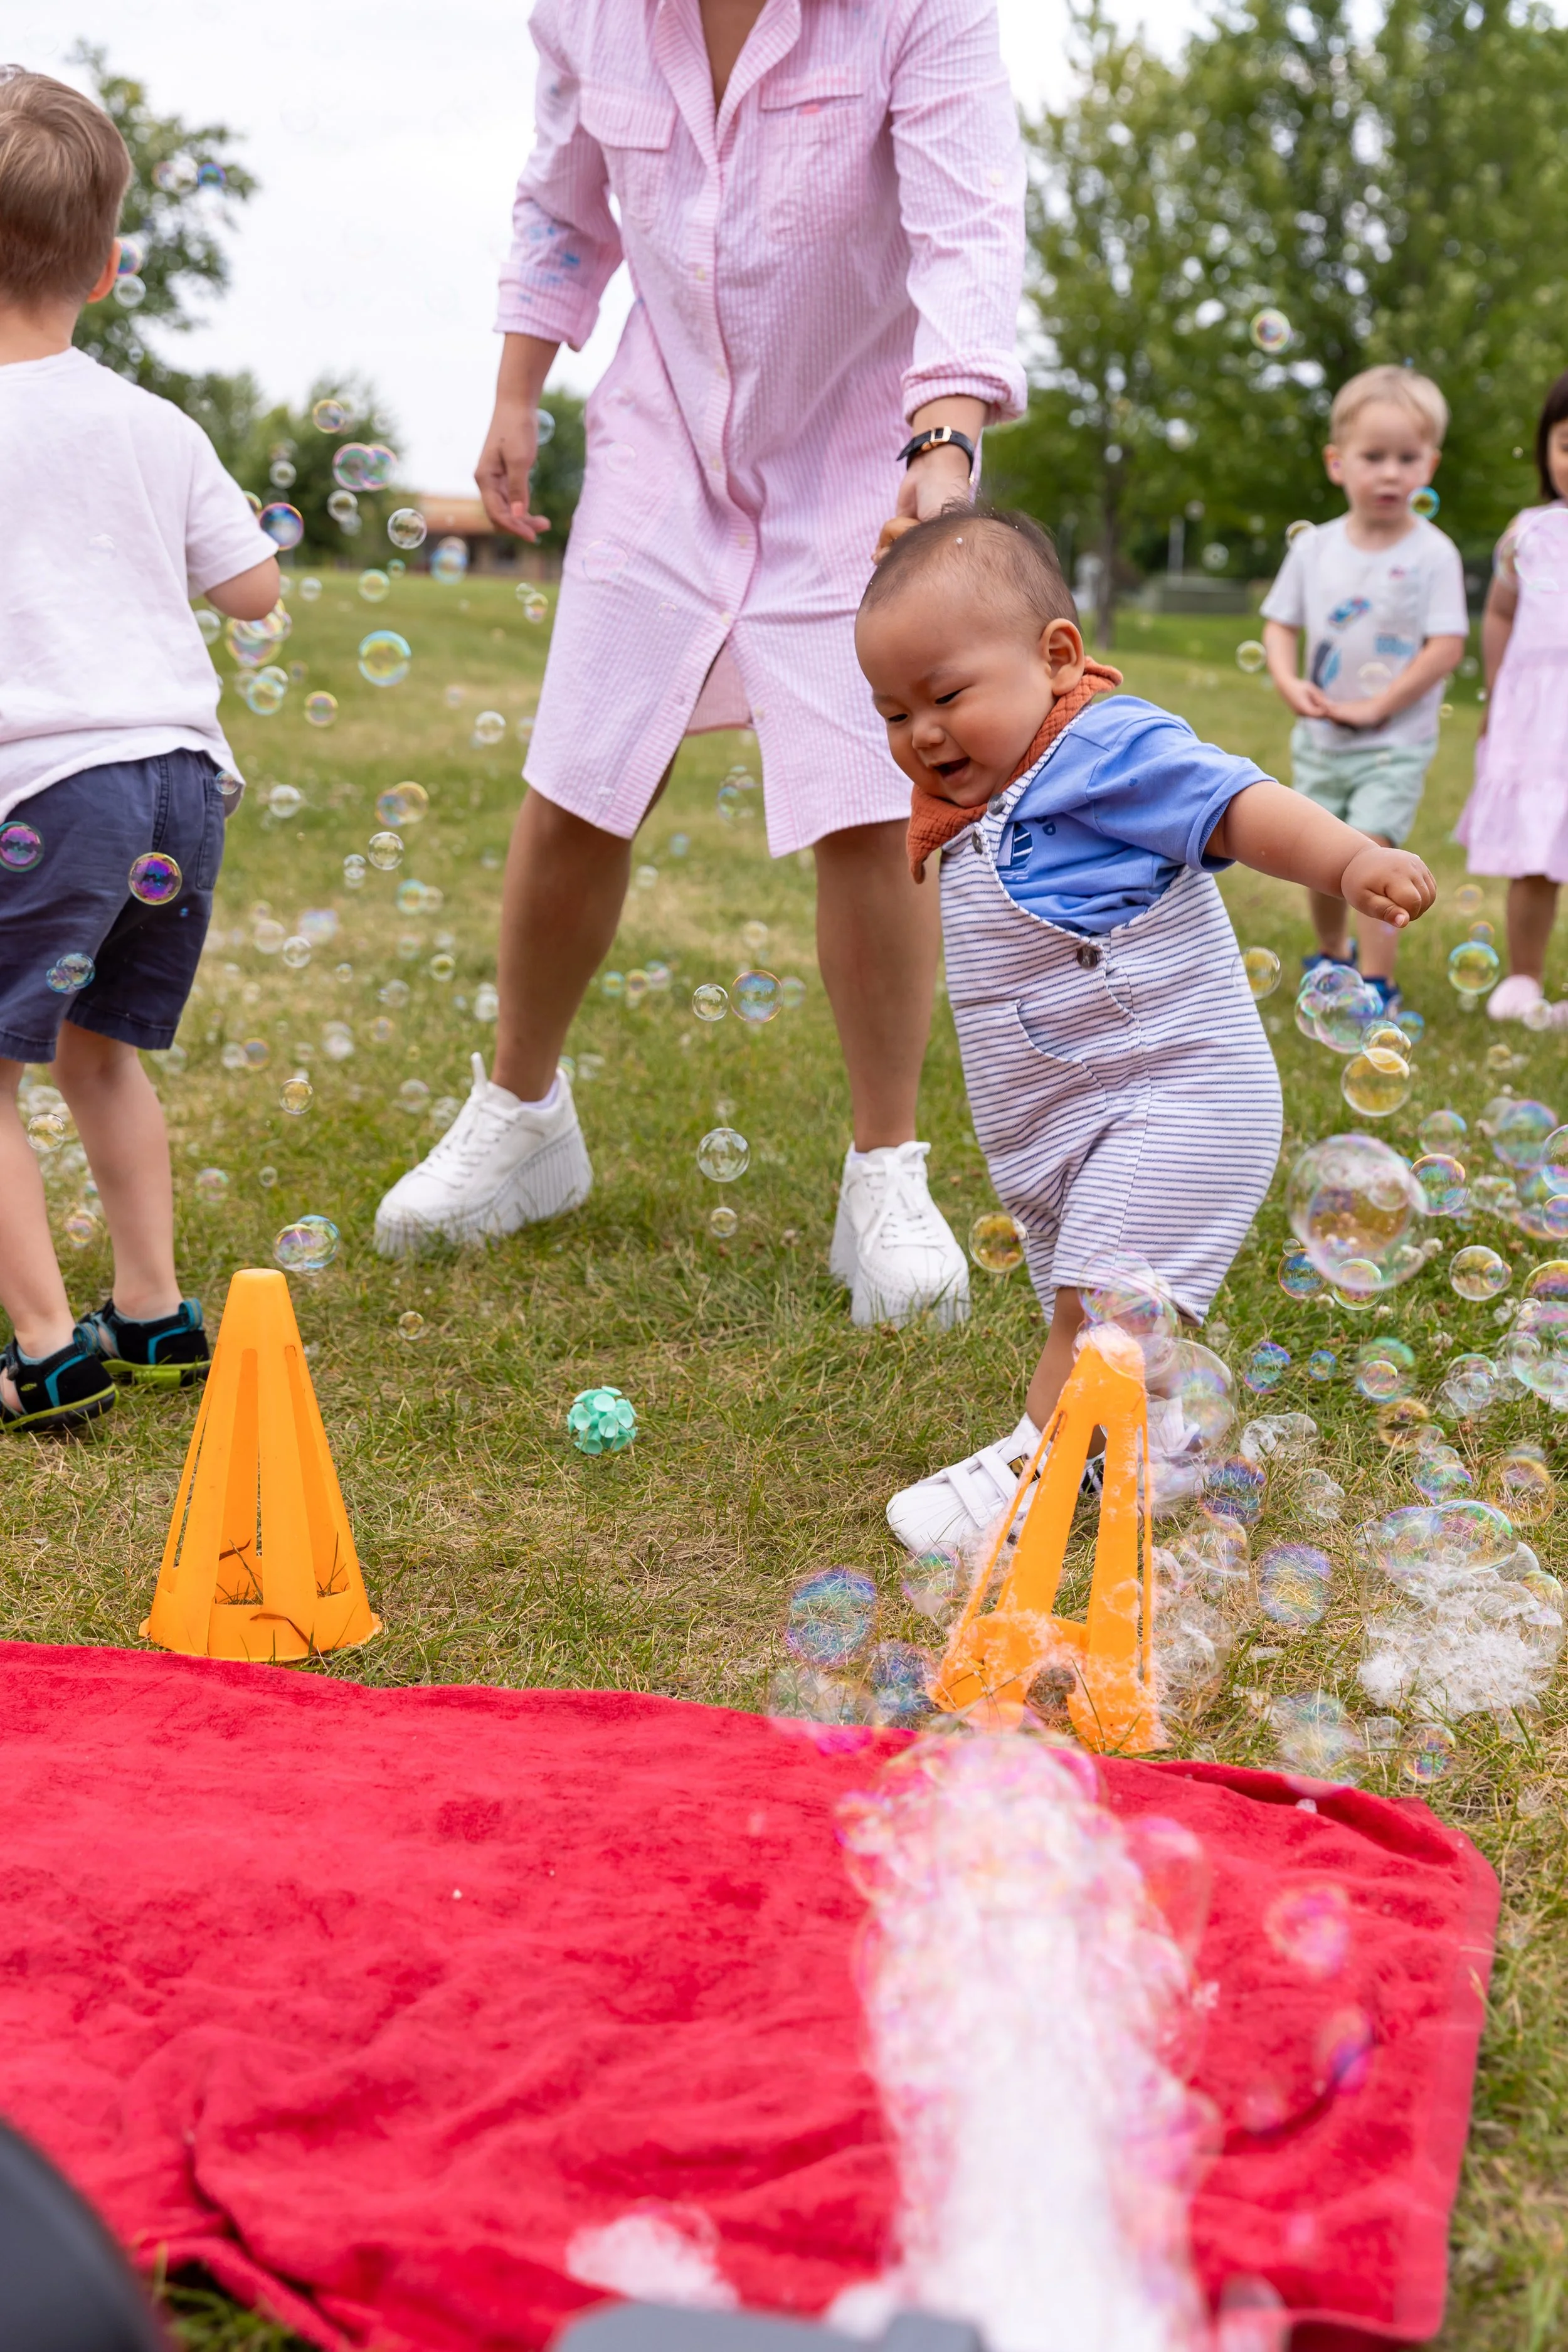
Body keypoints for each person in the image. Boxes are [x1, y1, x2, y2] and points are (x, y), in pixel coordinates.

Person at [373, 0, 1027, 1330]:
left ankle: (883, 1176)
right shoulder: (588, 15)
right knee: (579, 776)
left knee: (865, 794)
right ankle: (522, 1115)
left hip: (862, 450)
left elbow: (967, 232)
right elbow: (561, 203)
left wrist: (942, 446)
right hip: (659, 448)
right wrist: (515, 391)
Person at [854, 510, 1436, 1554]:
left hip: (1175, 1093)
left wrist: (1347, 861)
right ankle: (1157, 1443)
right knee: (1108, 1318)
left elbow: (1235, 804)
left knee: (1095, 1306)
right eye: (894, 711)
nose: (923, 735)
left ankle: (1031, 1470)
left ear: (1058, 657)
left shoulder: (1102, 745)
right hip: (1063, 1119)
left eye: (947, 696)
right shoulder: (976, 797)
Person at [0, 70, 279, 1431]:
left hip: (43, 789)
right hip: (180, 786)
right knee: (102, 1051)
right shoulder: (151, 421)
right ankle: (157, 1315)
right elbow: (254, 591)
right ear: (107, 268)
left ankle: (48, 1346)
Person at [1259, 364, 1467, 1015]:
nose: (1389, 472)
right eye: (1372, 456)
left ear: (1429, 465)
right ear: (1336, 463)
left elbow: (1446, 646)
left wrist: (1379, 705)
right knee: (1321, 852)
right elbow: (1278, 625)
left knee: (1373, 848)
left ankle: (1377, 981)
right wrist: (1289, 682)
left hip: (1393, 741)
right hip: (1321, 738)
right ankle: (1332, 954)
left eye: (1406, 457)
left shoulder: (1434, 554)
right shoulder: (1314, 550)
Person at [1456, 368, 1568, 1025]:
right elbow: (1500, 613)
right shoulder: (1527, 533)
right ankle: (1524, 979)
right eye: (1566, 445)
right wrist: (1497, 694)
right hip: (1537, 716)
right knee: (1535, 854)